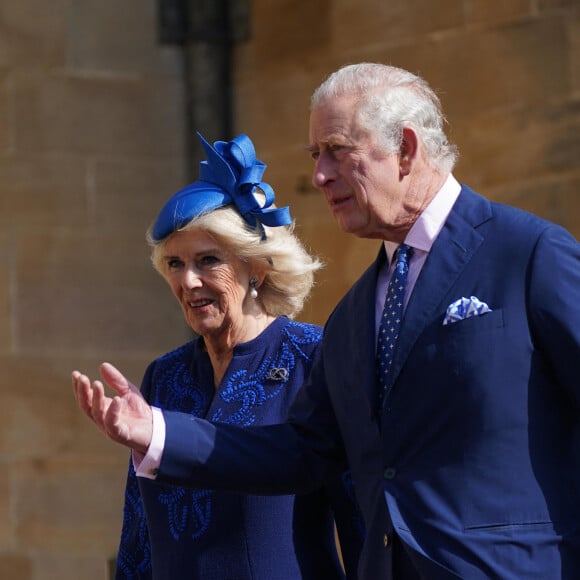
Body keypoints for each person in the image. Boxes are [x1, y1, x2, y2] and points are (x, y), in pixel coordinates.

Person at [73, 63, 580, 579]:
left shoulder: (528, 253)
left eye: (337, 151)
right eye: (316, 156)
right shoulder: (357, 314)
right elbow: (302, 451)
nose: (318, 177)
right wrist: (155, 431)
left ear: (405, 149)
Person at [73, 132, 364, 579]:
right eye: (174, 264)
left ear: (257, 267)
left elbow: (361, 524)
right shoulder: (164, 375)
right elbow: (138, 537)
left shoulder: (315, 356)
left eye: (208, 261)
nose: (188, 281)